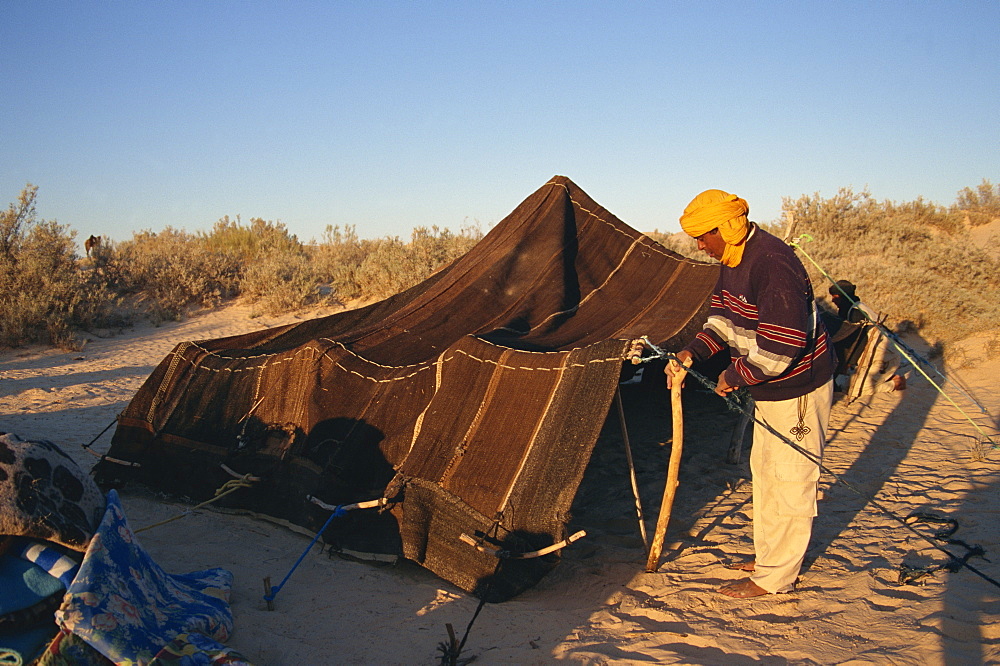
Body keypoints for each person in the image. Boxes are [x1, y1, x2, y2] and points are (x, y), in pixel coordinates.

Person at [664, 189, 836, 599]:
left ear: (728, 227)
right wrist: (693, 351)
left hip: (797, 387)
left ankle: (776, 577)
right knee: (767, 472)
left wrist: (735, 375)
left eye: (704, 236)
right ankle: (769, 557)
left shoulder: (773, 264)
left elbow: (783, 344)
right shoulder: (732, 260)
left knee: (792, 478)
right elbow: (723, 319)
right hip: (769, 389)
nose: (699, 245)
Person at [827, 280, 907, 395]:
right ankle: (884, 376)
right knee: (848, 383)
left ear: (844, 297)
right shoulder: (851, 309)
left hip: (884, 358)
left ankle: (896, 383)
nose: (833, 300)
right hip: (873, 356)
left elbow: (860, 341)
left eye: (836, 297)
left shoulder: (856, 313)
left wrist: (847, 364)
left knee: (855, 390)